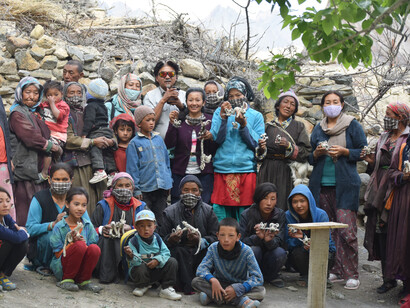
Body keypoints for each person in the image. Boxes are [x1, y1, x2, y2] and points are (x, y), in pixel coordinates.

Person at [308, 90, 367, 290]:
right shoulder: (319, 128)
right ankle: (335, 270)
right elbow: (310, 156)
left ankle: (352, 274)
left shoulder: (352, 125)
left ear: (342, 104)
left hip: (346, 186)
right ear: (323, 106)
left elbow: (363, 151)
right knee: (329, 230)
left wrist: (345, 151)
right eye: (327, 102)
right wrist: (316, 153)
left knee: (347, 231)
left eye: (335, 101)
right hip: (321, 186)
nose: (331, 104)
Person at [363, 102, 410, 294]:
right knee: (380, 232)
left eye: (389, 114)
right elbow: (378, 163)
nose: (386, 117)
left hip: (399, 189)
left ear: (400, 117)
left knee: (399, 235)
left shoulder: (408, 138)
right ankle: (388, 277)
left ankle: (405, 282)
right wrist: (371, 160)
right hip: (380, 188)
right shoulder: (384, 136)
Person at [208, 76, 265, 220]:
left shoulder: (256, 116)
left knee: (244, 213)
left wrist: (244, 125)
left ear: (245, 95)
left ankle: (242, 241)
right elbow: (217, 139)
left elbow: (256, 144)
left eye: (238, 95)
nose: (234, 99)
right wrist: (223, 118)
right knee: (220, 211)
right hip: (222, 168)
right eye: (231, 96)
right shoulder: (219, 112)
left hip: (245, 169)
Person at [9, 77, 62, 225]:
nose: (32, 96)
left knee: (40, 209)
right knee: (25, 210)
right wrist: (53, 147)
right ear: (20, 93)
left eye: (35, 93)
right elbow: (30, 137)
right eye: (27, 92)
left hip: (39, 171)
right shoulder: (17, 114)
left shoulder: (37, 113)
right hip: (24, 170)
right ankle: (25, 243)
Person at [26, 163, 90, 275]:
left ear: (71, 180)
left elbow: (88, 225)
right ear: (50, 180)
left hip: (71, 245)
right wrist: (52, 225)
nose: (61, 183)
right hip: (43, 250)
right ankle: (48, 266)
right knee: (51, 236)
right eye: (57, 179)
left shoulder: (76, 198)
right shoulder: (40, 198)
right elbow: (30, 228)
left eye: (65, 179)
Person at [160, 175, 219, 294]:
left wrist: (200, 241)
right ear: (180, 191)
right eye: (186, 190)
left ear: (200, 192)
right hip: (179, 250)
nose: (190, 193)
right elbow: (160, 239)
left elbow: (216, 237)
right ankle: (184, 286)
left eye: (194, 190)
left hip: (201, 251)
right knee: (179, 252)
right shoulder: (169, 212)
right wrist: (171, 239)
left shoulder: (208, 211)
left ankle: (202, 283)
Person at [192, 217, 265, 307]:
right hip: (219, 284)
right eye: (222, 235)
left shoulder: (246, 251)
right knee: (196, 281)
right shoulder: (213, 248)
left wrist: (239, 288)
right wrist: (213, 280)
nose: (226, 239)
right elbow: (201, 269)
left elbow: (258, 277)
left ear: (238, 237)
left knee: (261, 291)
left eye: (231, 235)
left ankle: (213, 297)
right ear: (217, 235)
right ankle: (241, 301)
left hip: (239, 285)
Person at [257, 90, 312, 210]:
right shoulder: (267, 126)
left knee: (283, 202)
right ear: (278, 105)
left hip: (287, 171)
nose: (288, 106)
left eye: (293, 104)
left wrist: (289, 146)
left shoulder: (299, 127)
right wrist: (261, 148)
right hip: (267, 169)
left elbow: (306, 151)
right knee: (265, 201)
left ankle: (283, 228)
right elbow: (258, 155)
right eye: (285, 102)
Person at [62, 82, 109, 214]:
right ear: (65, 95)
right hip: (76, 165)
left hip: (95, 164)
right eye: (71, 92)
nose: (75, 96)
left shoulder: (90, 110)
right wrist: (92, 142)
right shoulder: (65, 114)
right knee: (80, 202)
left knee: (96, 200)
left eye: (79, 92)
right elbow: (68, 139)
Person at [91, 172, 146, 284]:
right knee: (108, 239)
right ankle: (107, 275)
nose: (124, 189)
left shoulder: (141, 206)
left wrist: (131, 229)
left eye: (127, 186)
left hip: (132, 241)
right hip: (108, 243)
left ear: (133, 188)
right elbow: (91, 228)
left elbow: (149, 229)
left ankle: (130, 274)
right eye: (120, 186)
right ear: (113, 187)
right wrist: (102, 229)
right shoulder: (103, 205)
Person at [165, 88, 217, 204]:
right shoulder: (180, 120)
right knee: (178, 203)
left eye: (197, 100)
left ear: (203, 102)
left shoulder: (211, 121)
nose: (194, 103)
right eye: (190, 100)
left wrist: (211, 137)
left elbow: (217, 146)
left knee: (204, 204)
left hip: (204, 172)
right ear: (186, 102)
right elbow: (169, 143)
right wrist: (172, 124)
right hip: (181, 171)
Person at [126, 105, 172, 227]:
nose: (151, 123)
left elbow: (166, 162)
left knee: (161, 217)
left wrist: (168, 181)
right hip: (145, 189)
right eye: (148, 120)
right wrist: (136, 189)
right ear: (139, 123)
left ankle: (161, 241)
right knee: (147, 218)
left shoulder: (159, 140)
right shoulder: (134, 143)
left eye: (153, 119)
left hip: (161, 187)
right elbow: (132, 169)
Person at [50, 187, 101, 292]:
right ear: (67, 204)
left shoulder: (87, 225)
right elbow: (57, 253)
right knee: (79, 246)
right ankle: (66, 280)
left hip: (81, 268)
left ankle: (84, 280)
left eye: (84, 205)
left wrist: (83, 245)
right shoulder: (60, 226)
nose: (80, 208)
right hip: (64, 268)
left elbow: (91, 248)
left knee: (95, 248)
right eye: (76, 204)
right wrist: (73, 244)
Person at [382, 103, 410, 300]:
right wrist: (403, 177)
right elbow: (392, 171)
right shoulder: (403, 143)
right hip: (403, 197)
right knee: (402, 239)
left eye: (389, 114)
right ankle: (405, 283)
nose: (387, 118)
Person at [124, 209, 182, 300]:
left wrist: (157, 260)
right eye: (142, 226)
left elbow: (166, 253)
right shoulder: (133, 241)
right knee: (140, 268)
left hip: (156, 269)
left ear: (154, 227)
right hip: (141, 272)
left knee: (172, 262)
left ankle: (166, 288)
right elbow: (134, 262)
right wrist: (131, 255)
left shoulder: (157, 239)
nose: (146, 229)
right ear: (136, 227)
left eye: (149, 226)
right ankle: (142, 286)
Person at [286, 184, 336, 287]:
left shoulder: (321, 215)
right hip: (301, 254)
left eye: (302, 201)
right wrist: (300, 240)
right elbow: (287, 243)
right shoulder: (288, 216)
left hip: (320, 250)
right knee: (297, 252)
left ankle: (323, 276)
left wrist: (314, 244)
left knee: (329, 252)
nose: (299, 205)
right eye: (295, 202)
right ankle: (305, 275)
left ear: (309, 200)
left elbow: (329, 243)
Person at [239, 183, 287, 288]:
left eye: (273, 199)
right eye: (265, 198)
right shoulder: (246, 214)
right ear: (258, 199)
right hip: (254, 256)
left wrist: (269, 240)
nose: (269, 203)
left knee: (280, 253)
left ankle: (271, 276)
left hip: (271, 255)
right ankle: (252, 276)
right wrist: (258, 238)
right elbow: (241, 241)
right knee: (255, 250)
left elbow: (280, 241)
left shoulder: (280, 214)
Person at [82, 78, 117, 184]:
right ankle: (112, 173)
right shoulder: (104, 106)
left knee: (95, 149)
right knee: (107, 153)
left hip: (97, 131)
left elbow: (89, 120)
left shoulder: (90, 106)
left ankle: (99, 170)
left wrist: (84, 134)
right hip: (106, 131)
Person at [143, 60, 186, 139]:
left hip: (181, 145)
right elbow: (148, 123)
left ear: (176, 77)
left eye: (171, 74)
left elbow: (193, 120)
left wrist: (181, 107)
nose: (167, 77)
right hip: (157, 144)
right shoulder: (150, 96)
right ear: (156, 78)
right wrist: (163, 100)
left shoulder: (184, 95)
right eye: (163, 74)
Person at [39, 80, 70, 181]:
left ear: (62, 94)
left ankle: (44, 173)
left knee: (49, 150)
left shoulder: (63, 105)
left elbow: (58, 116)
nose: (53, 97)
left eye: (56, 94)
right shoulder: (44, 104)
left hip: (58, 135)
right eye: (49, 95)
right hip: (48, 134)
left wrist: (52, 104)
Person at [0, 187, 29, 291]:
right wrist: (23, 232)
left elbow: (16, 231)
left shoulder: (5, 216)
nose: (5, 204)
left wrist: (20, 233)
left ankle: (2, 275)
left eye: (8, 201)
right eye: (0, 201)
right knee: (10, 240)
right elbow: (16, 235)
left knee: (23, 243)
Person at [0, 96, 15, 220]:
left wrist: (9, 158)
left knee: (6, 199)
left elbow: (5, 127)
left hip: (3, 161)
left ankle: (9, 228)